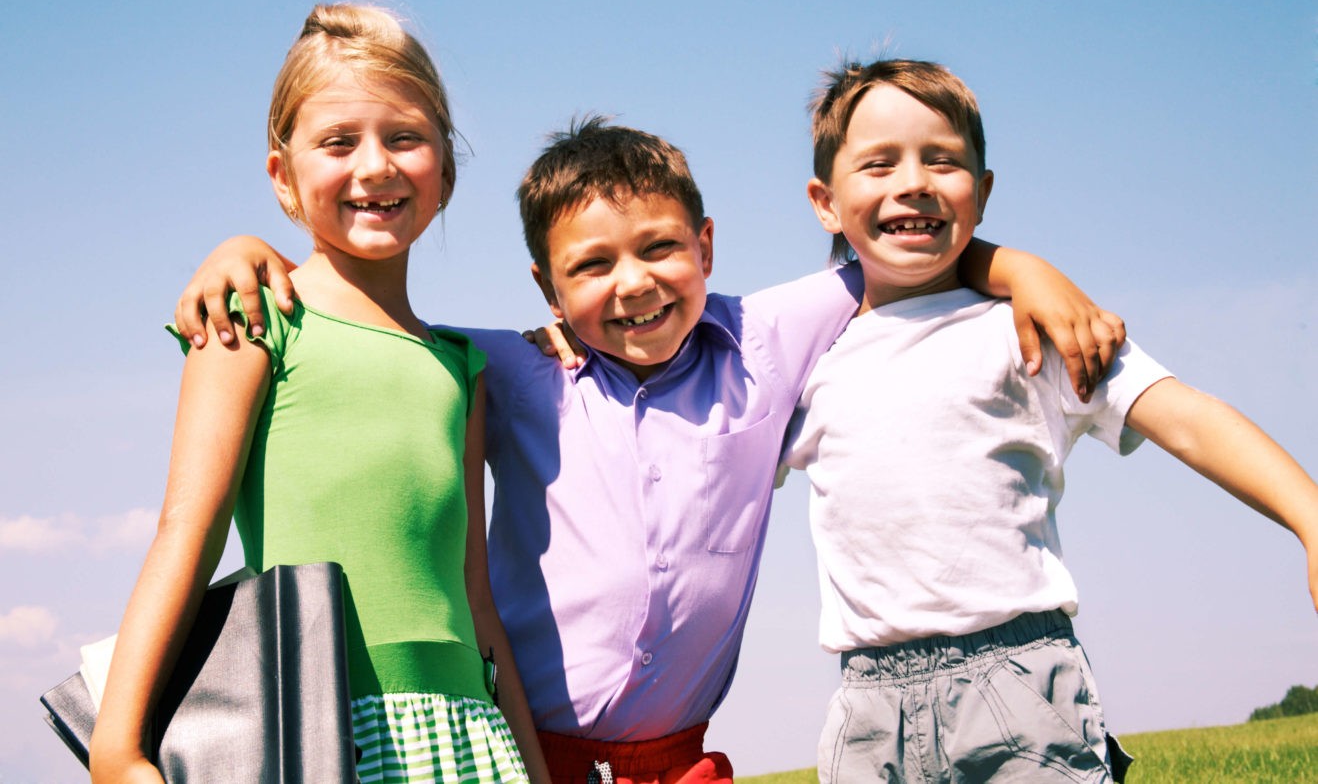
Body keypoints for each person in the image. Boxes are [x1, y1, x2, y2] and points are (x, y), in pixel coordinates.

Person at [172, 116, 1124, 783]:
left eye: (661, 249)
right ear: (547, 289)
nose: (633, 284)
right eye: (591, 266)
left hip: (682, 756)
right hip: (528, 749)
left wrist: (1020, 267)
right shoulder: (501, 370)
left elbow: (897, 252)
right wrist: (248, 252)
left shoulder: (765, 337)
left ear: (706, 246)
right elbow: (374, 332)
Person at [784, 58, 1318, 783]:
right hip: (868, 709)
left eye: (942, 160)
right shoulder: (803, 358)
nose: (913, 182)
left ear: (983, 192)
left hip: (1018, 684)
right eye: (879, 164)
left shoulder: (1034, 329)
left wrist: (1309, 517)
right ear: (824, 202)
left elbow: (1188, 419)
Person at [88, 3, 549, 784]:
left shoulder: (460, 369)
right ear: (283, 175)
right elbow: (186, 530)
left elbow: (478, 601)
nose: (375, 166)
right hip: (319, 731)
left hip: (469, 738)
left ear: (446, 167)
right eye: (338, 142)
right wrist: (118, 746)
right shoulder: (251, 318)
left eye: (404, 138)